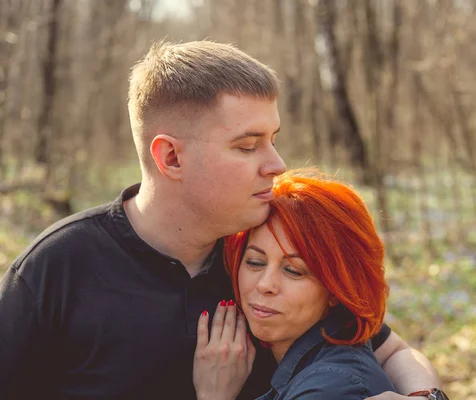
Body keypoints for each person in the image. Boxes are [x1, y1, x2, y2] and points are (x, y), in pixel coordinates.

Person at [0, 41, 441, 400]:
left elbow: (390, 349)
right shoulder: (55, 269)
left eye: (273, 139)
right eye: (248, 146)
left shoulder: (264, 253)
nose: (276, 164)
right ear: (171, 157)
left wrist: (423, 397)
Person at [196, 170, 397, 399]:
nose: (265, 285)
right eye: (255, 262)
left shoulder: (330, 389)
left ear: (336, 288)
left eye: (293, 271)